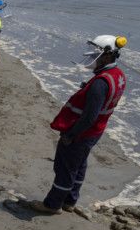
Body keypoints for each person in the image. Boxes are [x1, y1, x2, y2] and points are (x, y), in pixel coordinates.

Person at [28, 35, 128, 215]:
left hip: (82, 133)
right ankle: (70, 200)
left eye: (97, 51)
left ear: (107, 55)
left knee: (65, 167)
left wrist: (71, 135)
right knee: (79, 165)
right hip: (95, 132)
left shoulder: (100, 83)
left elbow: (89, 116)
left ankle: (52, 204)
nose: (92, 55)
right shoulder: (118, 75)